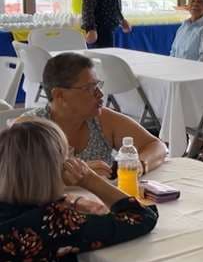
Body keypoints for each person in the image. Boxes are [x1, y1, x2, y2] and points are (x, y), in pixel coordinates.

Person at [0, 118, 158, 262]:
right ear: (54, 168)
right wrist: (89, 179)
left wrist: (70, 200)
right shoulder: (55, 221)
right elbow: (141, 217)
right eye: (68, 155)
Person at [22, 53, 167, 175]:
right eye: (89, 88)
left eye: (98, 85)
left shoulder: (100, 119)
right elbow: (19, 178)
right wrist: (72, 174)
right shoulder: (30, 129)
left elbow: (156, 146)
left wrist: (140, 164)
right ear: (59, 95)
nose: (100, 94)